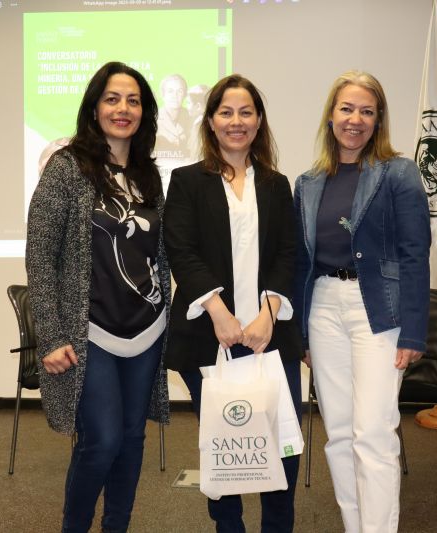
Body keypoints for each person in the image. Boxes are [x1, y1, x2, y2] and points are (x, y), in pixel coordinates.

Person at [25, 61, 170, 533]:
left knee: (131, 440)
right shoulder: (67, 168)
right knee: (102, 441)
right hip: (91, 333)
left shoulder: (149, 175)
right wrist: (50, 336)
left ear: (144, 112)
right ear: (94, 108)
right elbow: (40, 257)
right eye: (112, 99)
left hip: (146, 330)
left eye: (133, 101)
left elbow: (157, 252)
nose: (123, 109)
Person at [293, 71, 431, 533]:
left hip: (378, 310)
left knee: (372, 432)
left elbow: (415, 253)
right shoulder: (308, 182)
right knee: (338, 434)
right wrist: (300, 333)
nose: (355, 119)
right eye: (347, 109)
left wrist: (414, 331)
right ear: (331, 115)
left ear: (378, 120)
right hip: (323, 309)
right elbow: (302, 262)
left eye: (367, 111)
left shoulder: (398, 172)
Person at [164, 74, 302, 533]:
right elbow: (181, 250)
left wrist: (268, 314)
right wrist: (219, 313)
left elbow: (288, 253)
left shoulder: (277, 184)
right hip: (210, 337)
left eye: (246, 112)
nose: (236, 121)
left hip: (269, 337)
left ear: (259, 121)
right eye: (226, 112)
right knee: (224, 448)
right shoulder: (186, 181)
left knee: (282, 450)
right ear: (210, 121)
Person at [155, 73, 192, 158]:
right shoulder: (153, 118)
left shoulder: (191, 117)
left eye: (180, 91)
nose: (175, 96)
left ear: (184, 95)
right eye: (170, 91)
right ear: (163, 95)